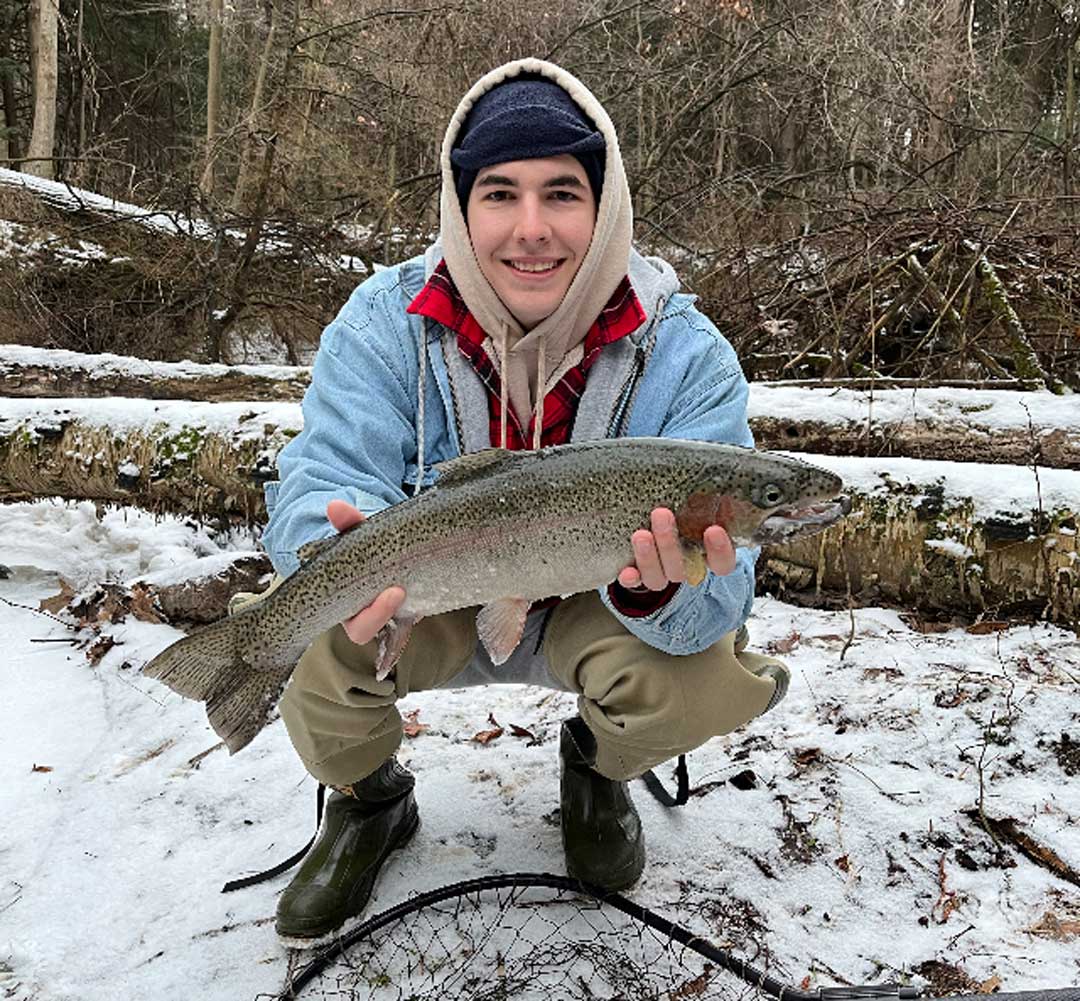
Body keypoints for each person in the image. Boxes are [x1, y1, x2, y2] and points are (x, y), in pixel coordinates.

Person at [256, 58, 790, 945]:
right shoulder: (383, 321)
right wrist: (331, 536)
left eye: (562, 194)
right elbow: (324, 475)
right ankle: (368, 797)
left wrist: (666, 589)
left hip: (596, 606)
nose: (531, 228)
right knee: (311, 629)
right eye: (500, 194)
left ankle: (597, 767)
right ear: (460, 207)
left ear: (604, 205)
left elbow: (725, 596)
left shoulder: (687, 353)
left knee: (702, 671)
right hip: (428, 589)